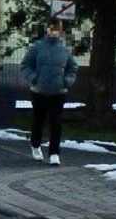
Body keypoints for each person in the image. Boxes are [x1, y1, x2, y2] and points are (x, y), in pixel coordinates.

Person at [22, 19, 78, 165]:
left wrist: (66, 81)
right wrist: (34, 78)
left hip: (58, 91)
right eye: (51, 28)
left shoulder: (64, 50)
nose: (53, 32)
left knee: (56, 122)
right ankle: (35, 144)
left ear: (60, 31)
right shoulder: (37, 48)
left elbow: (72, 68)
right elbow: (26, 65)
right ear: (47, 29)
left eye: (56, 29)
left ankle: (54, 153)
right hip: (39, 90)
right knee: (38, 120)